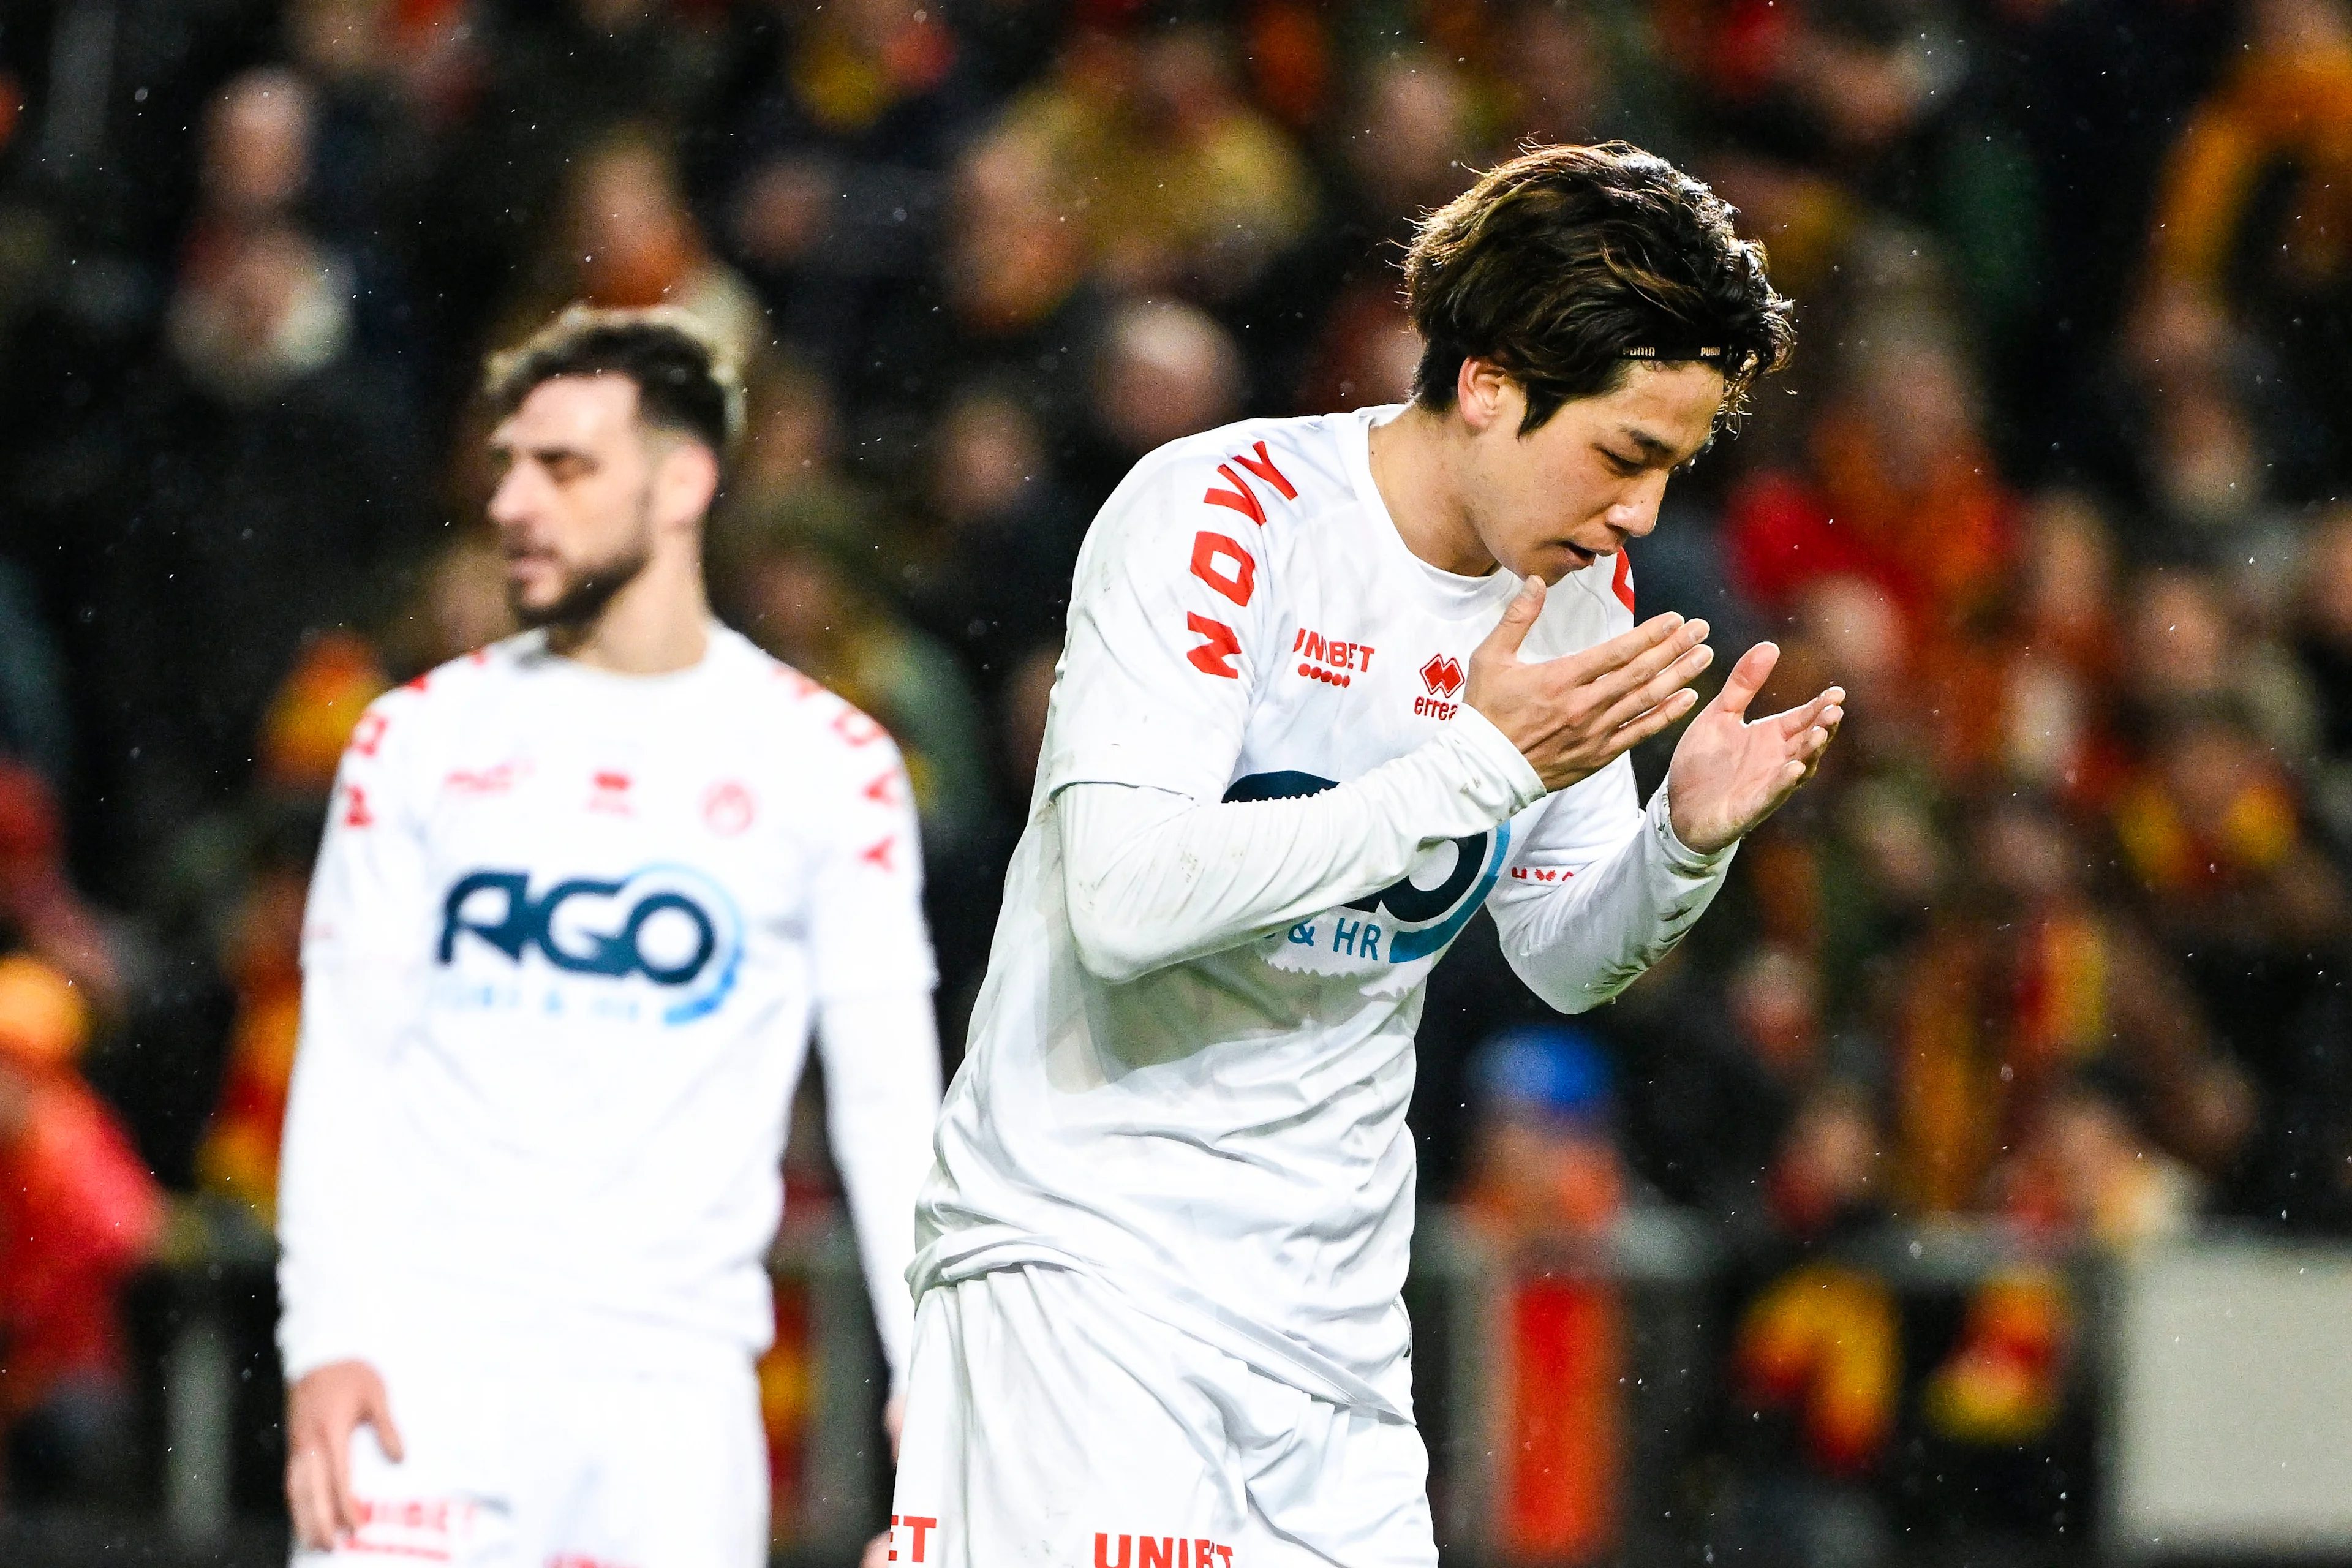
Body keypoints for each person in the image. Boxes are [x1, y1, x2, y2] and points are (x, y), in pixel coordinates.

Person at [891, 142, 1838, 1568]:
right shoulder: (1222, 516)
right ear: (1491, 381)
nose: (1643, 512)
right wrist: (1475, 766)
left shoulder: (1576, 591)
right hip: (1088, 1268)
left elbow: (1562, 954)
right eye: (1626, 454)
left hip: (1331, 1318)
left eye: (1674, 466)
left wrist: (1679, 849)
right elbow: (1124, 901)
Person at [275, 307, 943, 1565]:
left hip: (675, 1403)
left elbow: (888, 1097)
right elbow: (348, 1056)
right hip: (429, 1375)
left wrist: (940, 1370)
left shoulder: (831, 763)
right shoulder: (414, 738)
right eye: (507, 467)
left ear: (684, 480)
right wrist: (327, 1335)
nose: (516, 502)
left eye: (564, 466)